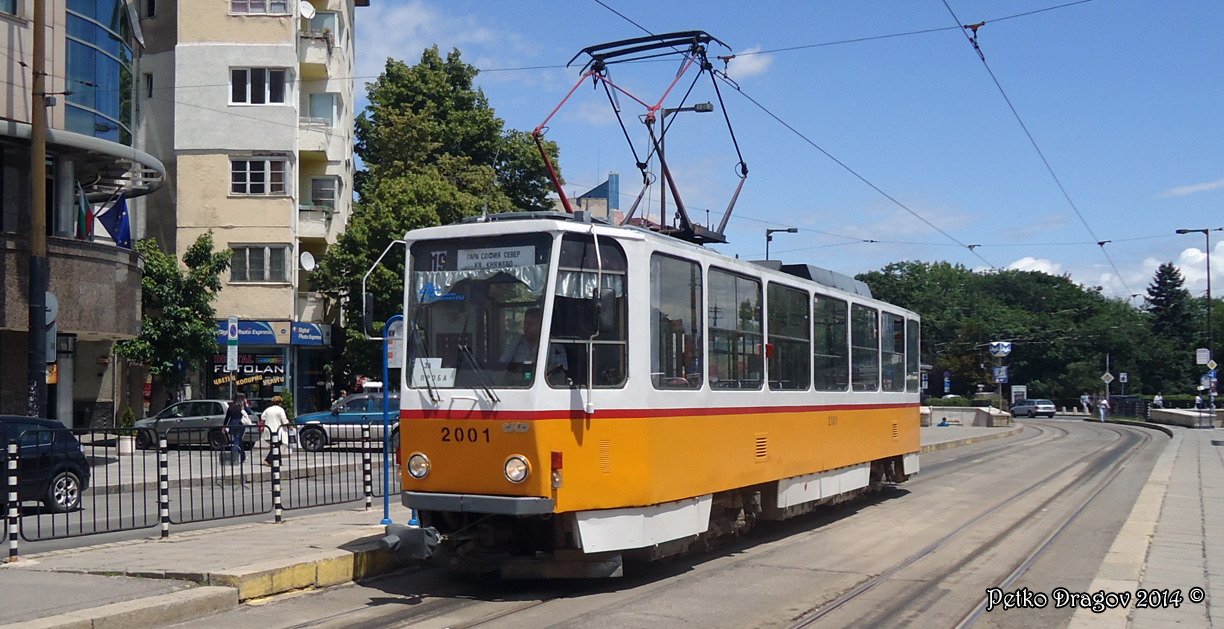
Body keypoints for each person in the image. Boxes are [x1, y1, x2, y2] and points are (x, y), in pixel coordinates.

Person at [501, 308, 568, 380]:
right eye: (525, 323)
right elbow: (502, 365)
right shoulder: (517, 342)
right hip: (516, 385)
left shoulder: (554, 345)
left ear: (541, 326)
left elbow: (560, 375)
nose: (526, 327)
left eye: (531, 324)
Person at [260, 395, 290, 467]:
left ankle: (278, 461)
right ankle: (268, 460)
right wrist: (289, 425)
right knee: (276, 446)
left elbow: (262, 417)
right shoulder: (280, 410)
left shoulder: (268, 409)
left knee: (275, 445)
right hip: (276, 430)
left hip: (268, 429)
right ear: (280, 403)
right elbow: (284, 420)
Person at [223, 393, 249, 464]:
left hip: (232, 425)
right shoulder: (242, 406)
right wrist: (246, 405)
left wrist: (224, 426)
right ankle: (233, 457)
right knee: (237, 441)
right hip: (240, 425)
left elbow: (227, 417)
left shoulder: (231, 406)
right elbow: (249, 412)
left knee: (239, 440)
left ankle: (243, 456)